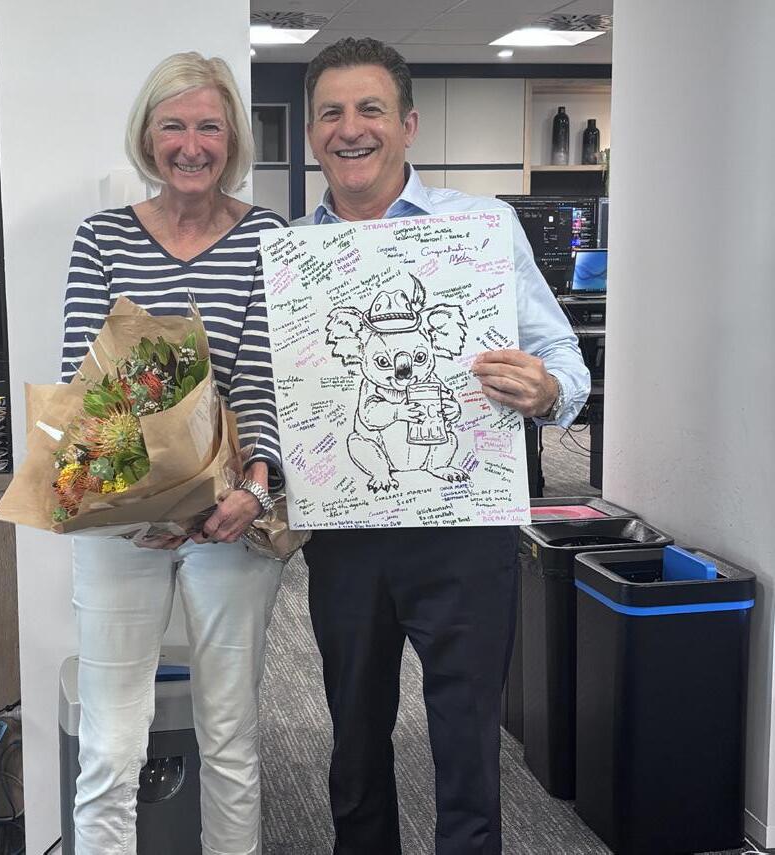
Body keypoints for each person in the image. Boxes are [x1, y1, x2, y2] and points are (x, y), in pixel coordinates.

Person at [293, 38, 591, 855]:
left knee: (466, 740)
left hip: (466, 529)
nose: (350, 128)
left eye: (371, 109)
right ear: (312, 134)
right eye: (331, 113)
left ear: (409, 124)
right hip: (347, 532)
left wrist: (547, 390)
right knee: (354, 740)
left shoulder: (480, 228)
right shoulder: (291, 256)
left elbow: (565, 359)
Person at [59, 51, 287, 855]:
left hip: (230, 517)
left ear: (233, 139)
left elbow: (264, 379)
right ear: (147, 136)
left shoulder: (265, 236)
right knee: (111, 744)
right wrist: (138, 502)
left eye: (209, 127)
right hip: (122, 521)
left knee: (230, 737)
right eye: (174, 126)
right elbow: (85, 380)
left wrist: (256, 488)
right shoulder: (102, 238)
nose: (192, 145)